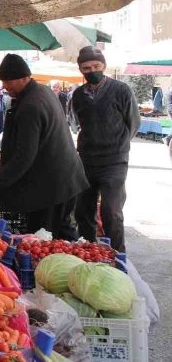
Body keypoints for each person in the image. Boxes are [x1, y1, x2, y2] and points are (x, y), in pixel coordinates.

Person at [0, 54, 88, 239]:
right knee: (61, 234)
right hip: (62, 179)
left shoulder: (31, 105)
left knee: (45, 237)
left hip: (51, 186)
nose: (5, 86)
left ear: (24, 78)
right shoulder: (42, 91)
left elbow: (23, 157)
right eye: (3, 81)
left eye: (8, 81)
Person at [70, 46, 139, 253]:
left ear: (104, 66)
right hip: (86, 160)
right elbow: (75, 123)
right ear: (81, 70)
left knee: (111, 212)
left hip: (114, 161)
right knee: (83, 211)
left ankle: (117, 255)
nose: (92, 70)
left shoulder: (121, 90)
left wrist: (119, 146)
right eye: (86, 68)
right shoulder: (78, 95)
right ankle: (88, 251)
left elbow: (133, 122)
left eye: (96, 66)